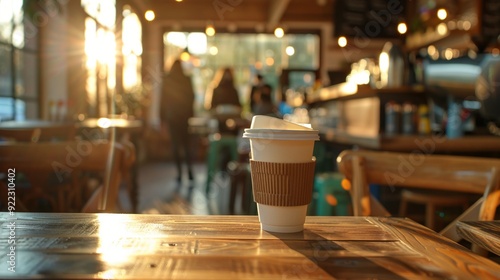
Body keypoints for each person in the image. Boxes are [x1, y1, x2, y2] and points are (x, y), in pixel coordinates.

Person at [160, 59, 195, 183]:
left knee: (175, 145)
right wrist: (191, 115)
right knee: (186, 145)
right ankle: (190, 171)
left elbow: (163, 101)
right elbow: (192, 98)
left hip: (172, 117)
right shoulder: (186, 79)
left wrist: (162, 119)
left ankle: (179, 173)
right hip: (184, 117)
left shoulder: (167, 80)